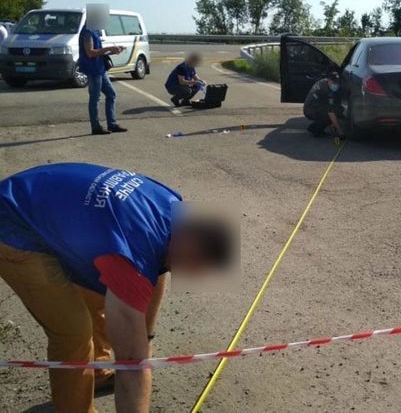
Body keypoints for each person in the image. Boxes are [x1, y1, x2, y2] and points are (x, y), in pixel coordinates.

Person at [0, 163, 234, 413]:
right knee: (73, 331)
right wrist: (136, 352)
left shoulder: (173, 209)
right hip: (12, 224)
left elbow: (158, 268)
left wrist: (145, 335)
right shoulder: (134, 255)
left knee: (108, 297)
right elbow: (132, 364)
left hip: (46, 202)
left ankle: (97, 370)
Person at [78, 4, 128, 135]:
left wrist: (113, 50)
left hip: (99, 68)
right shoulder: (87, 32)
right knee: (95, 98)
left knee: (111, 94)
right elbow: (90, 52)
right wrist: (109, 49)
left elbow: (97, 51)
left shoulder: (94, 30)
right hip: (93, 69)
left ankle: (112, 124)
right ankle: (96, 127)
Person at [303, 71, 344, 137]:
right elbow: (331, 113)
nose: (336, 85)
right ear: (329, 80)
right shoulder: (326, 90)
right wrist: (340, 131)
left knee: (337, 110)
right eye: (334, 83)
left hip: (314, 107)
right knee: (333, 114)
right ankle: (316, 130)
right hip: (310, 110)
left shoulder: (324, 82)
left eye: (337, 83)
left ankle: (314, 127)